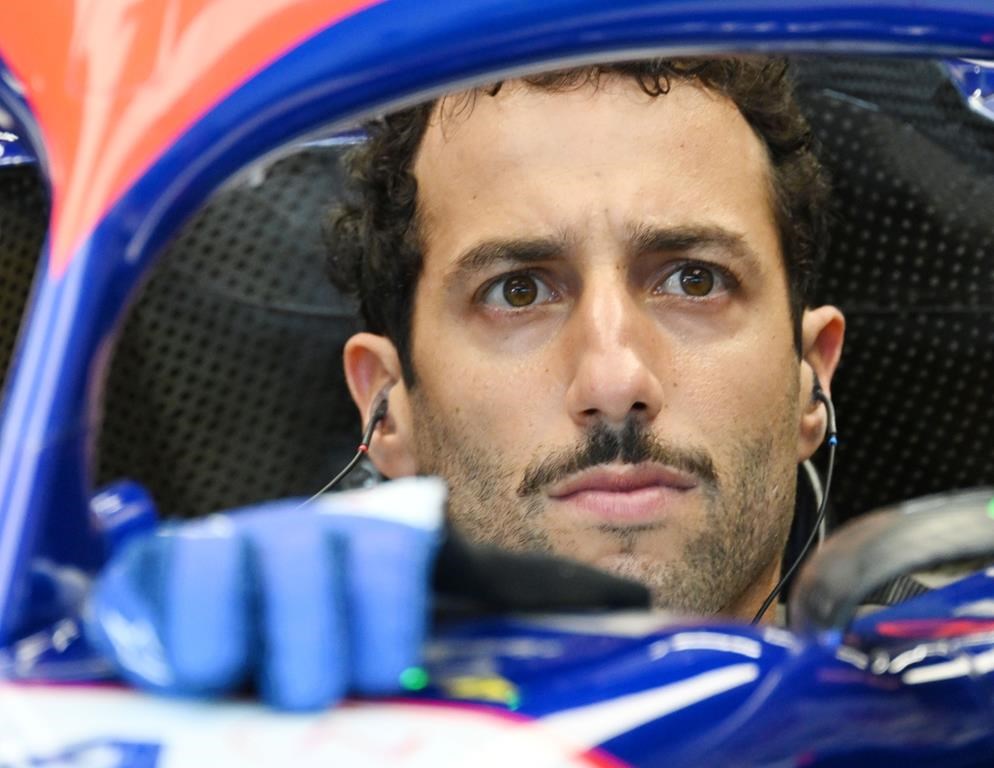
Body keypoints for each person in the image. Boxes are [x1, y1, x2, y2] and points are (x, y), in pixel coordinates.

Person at [327, 57, 845, 623]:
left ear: (811, 377)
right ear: (388, 411)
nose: (615, 382)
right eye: (517, 292)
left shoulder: (948, 680)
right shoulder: (257, 710)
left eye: (695, 280)